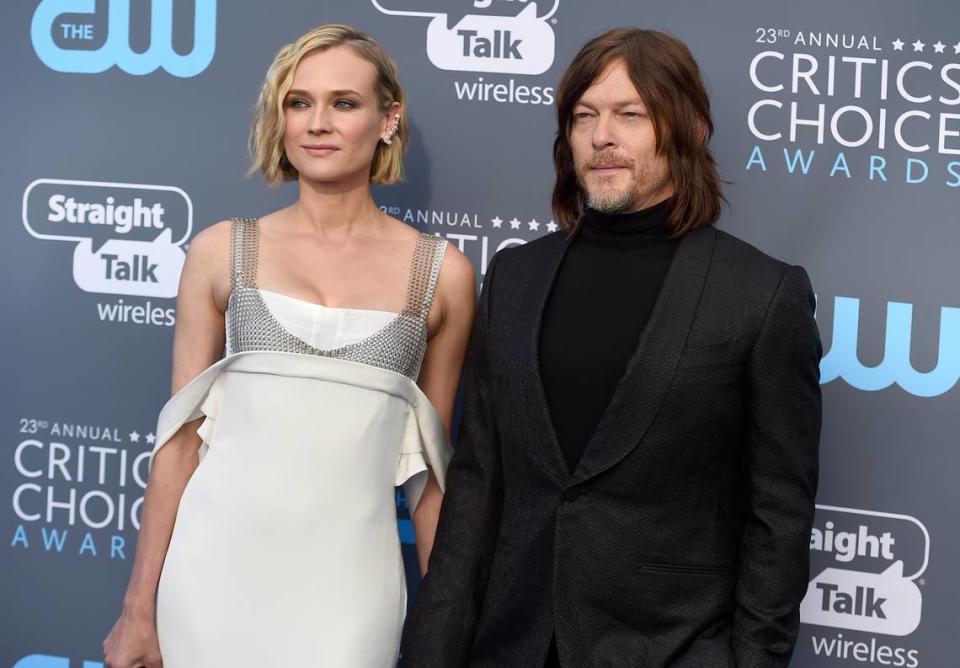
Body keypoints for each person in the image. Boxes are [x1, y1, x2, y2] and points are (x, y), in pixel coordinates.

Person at [402, 28, 821, 667]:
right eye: (584, 116)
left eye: (631, 115)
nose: (602, 136)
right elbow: (479, 491)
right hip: (510, 648)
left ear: (691, 129)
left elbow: (779, 521)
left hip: (672, 650)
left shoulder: (763, 297)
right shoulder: (516, 277)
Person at [102, 24, 475, 668]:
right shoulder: (222, 251)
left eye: (344, 103)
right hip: (210, 578)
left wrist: (445, 635)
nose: (317, 123)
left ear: (389, 117)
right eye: (298, 103)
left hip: (351, 589)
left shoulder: (442, 275)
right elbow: (180, 442)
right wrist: (138, 610)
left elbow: (432, 477)